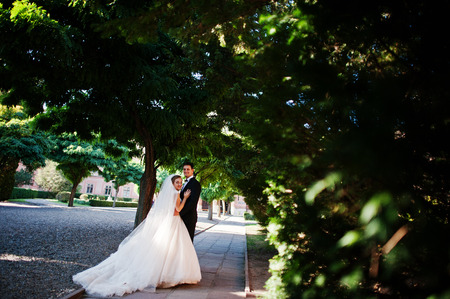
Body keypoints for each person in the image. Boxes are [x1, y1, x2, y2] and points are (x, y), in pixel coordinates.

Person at [72, 175, 201, 297]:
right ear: (172, 184)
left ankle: (166, 274)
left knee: (168, 249)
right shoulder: (176, 194)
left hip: (170, 222)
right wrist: (185, 197)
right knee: (173, 249)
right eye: (177, 182)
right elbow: (178, 209)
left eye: (180, 182)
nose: (179, 184)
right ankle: (171, 275)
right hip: (174, 222)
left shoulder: (168, 194)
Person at [179, 162, 202, 242]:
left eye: (188, 169)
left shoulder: (195, 184)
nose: (186, 171)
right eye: (184, 169)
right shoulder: (184, 183)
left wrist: (180, 213)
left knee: (187, 242)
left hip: (189, 217)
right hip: (182, 217)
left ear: (192, 170)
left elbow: (192, 203)